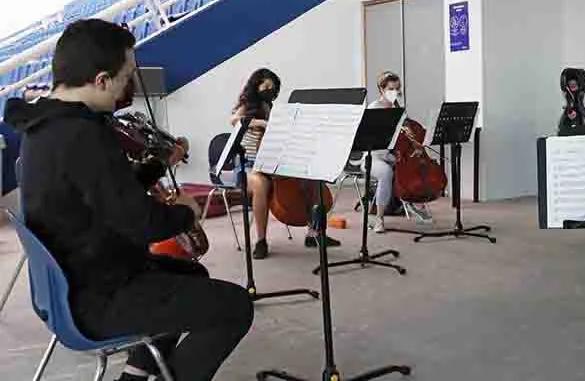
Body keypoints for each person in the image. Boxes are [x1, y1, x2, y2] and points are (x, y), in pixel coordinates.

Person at [4, 19, 253, 381]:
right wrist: (183, 213)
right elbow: (141, 223)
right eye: (125, 78)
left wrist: (154, 166)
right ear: (102, 80)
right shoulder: (82, 135)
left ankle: (135, 374)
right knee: (233, 307)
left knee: (193, 275)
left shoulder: (43, 126)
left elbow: (102, 191)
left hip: (74, 282)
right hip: (99, 296)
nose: (128, 89)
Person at [230, 68, 340, 259]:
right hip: (248, 165)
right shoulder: (248, 104)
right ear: (256, 86)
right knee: (261, 184)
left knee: (309, 174)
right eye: (266, 86)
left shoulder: (273, 108)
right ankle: (261, 241)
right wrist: (258, 123)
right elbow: (234, 120)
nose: (269, 90)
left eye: (273, 88)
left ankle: (314, 233)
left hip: (272, 160)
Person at [367, 71, 430, 233]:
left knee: (412, 167)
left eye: (397, 89)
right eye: (390, 89)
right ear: (381, 89)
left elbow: (409, 135)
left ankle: (414, 202)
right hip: (374, 157)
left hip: (393, 155)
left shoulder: (399, 110)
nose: (394, 93)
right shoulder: (374, 109)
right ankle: (379, 219)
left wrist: (416, 145)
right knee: (386, 173)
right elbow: (369, 138)